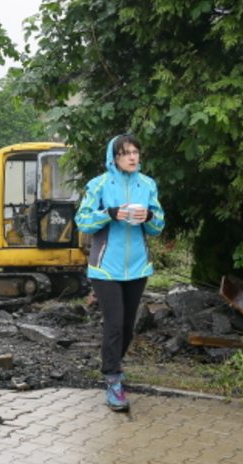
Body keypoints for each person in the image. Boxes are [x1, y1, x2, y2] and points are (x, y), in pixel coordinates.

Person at [75, 134, 165, 411]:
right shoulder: (99, 184)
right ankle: (113, 380)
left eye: (136, 152)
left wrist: (148, 218)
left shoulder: (147, 184)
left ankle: (114, 366)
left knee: (127, 327)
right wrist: (110, 213)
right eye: (126, 153)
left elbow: (158, 224)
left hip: (137, 267)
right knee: (114, 324)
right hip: (105, 268)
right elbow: (83, 221)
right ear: (114, 158)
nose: (132, 157)